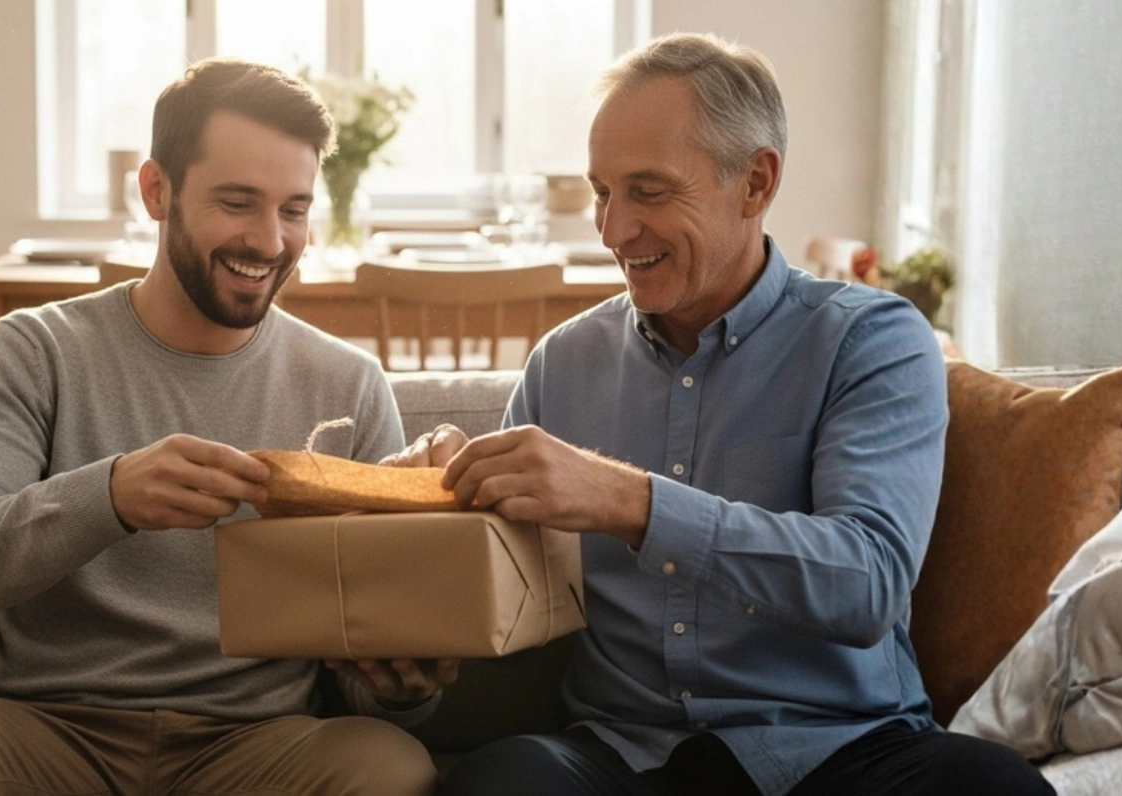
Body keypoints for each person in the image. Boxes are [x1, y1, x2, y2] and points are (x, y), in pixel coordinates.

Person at [388, 33, 1056, 796]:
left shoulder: (873, 340)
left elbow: (866, 582)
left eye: (648, 190)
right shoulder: (563, 363)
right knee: (499, 783)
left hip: (837, 751)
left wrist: (627, 502)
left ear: (756, 182)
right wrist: (417, 653)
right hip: (620, 753)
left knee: (993, 790)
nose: (611, 231)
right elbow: (514, 608)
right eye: (603, 191)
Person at [0, 58, 455, 796]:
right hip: (47, 732)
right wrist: (112, 496)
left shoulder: (347, 384)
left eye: (293, 209)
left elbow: (364, 674)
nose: (269, 240)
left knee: (390, 766)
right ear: (156, 191)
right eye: (238, 202)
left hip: (255, 746)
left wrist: (402, 689)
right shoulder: (38, 349)